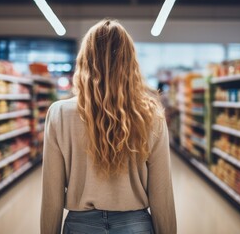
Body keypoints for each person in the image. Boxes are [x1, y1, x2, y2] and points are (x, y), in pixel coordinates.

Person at [41, 19, 177, 234]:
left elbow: (51, 191)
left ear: (85, 60)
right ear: (130, 62)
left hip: (80, 226)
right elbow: (162, 191)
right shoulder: (151, 115)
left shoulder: (59, 113)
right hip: (135, 226)